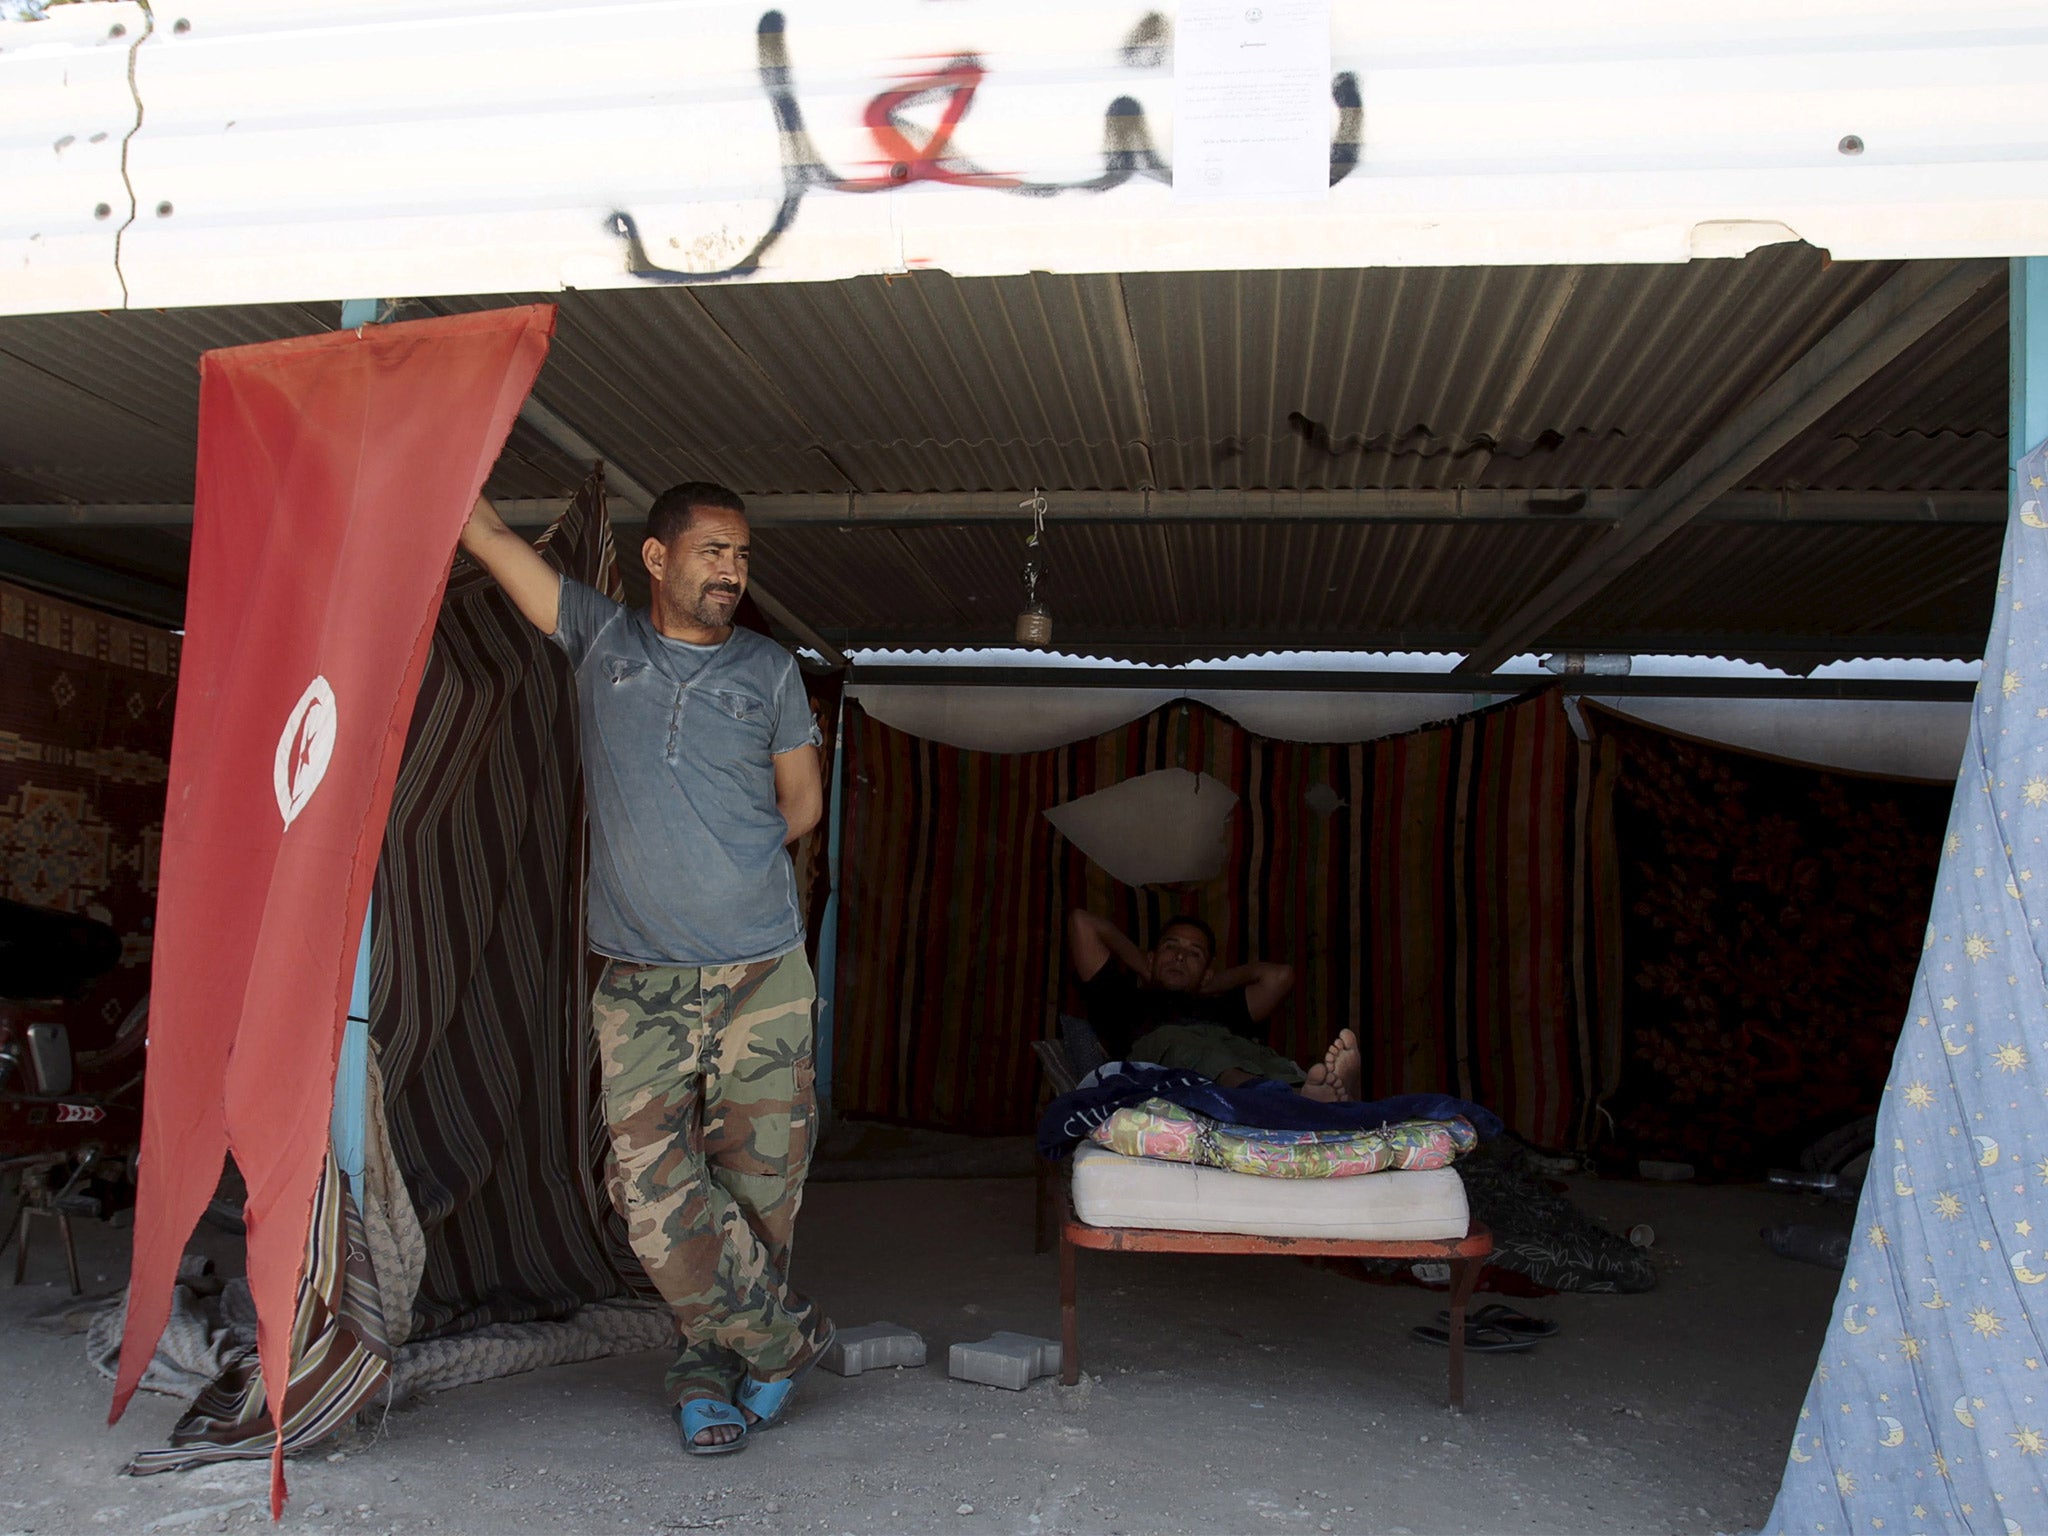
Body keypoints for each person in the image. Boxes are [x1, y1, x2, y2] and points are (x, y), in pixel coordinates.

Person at [460, 481, 833, 1456]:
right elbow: (491, 536)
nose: (732, 572)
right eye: (713, 551)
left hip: (761, 970)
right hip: (640, 979)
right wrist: (435, 446)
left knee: (758, 1190)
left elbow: (802, 806)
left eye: (742, 556)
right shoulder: (600, 638)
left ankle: (712, 1372)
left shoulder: (768, 668)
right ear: (656, 560)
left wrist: (722, 862)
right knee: (649, 1191)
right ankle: (782, 1342)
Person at [1065, 909, 1360, 1102]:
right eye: (1171, 947)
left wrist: (1211, 984)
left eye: (1194, 953)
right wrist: (1145, 967)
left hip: (1233, 1049)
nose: (1180, 956)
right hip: (1166, 1057)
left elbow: (1280, 976)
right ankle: (1259, 1094)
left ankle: (1313, 1091)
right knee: (1184, 1041)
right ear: (1152, 957)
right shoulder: (1122, 1000)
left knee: (1253, 1052)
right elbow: (1082, 922)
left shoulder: (1221, 1008)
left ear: (1207, 971)